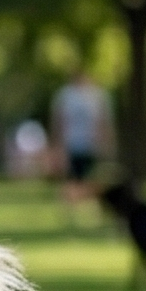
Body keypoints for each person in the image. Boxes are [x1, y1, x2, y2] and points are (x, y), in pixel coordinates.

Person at [50, 74, 110, 218]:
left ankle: (89, 209)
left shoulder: (97, 95)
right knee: (72, 178)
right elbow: (59, 120)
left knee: (90, 177)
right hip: (72, 143)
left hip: (90, 144)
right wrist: (58, 144)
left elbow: (102, 120)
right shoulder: (66, 95)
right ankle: (70, 210)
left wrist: (104, 141)